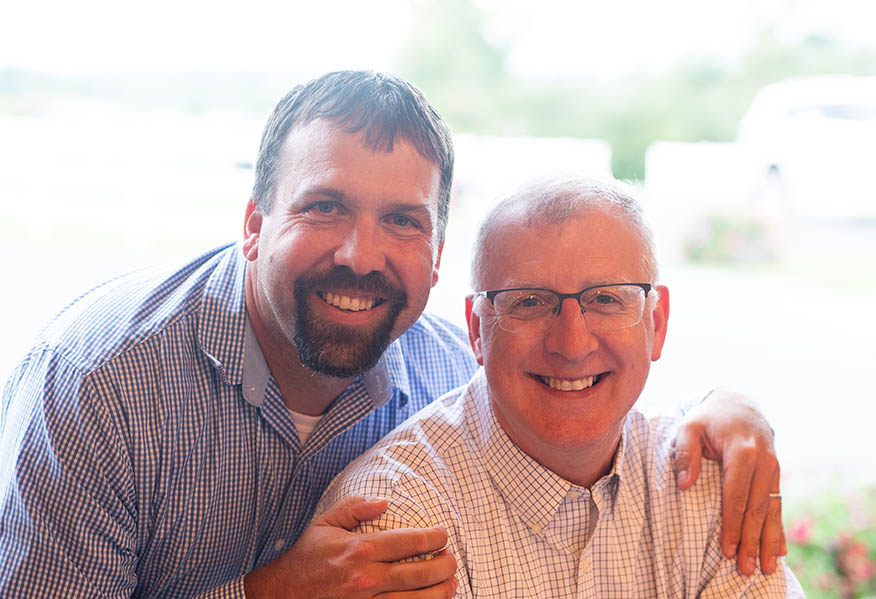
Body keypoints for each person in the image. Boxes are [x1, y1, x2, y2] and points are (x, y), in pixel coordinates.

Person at [0, 71, 781, 599]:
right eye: (325, 207)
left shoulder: (453, 362)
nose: (360, 255)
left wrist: (723, 408)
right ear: (254, 223)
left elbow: (576, 376)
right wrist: (266, 594)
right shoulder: (97, 382)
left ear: (436, 257)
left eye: (402, 221)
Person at [319, 176, 803, 597]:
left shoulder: (711, 487)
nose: (572, 344)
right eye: (529, 301)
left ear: (656, 323)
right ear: (477, 330)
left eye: (606, 299)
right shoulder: (395, 520)